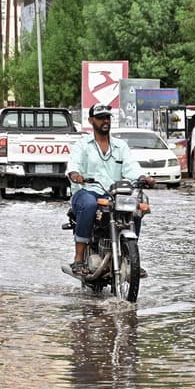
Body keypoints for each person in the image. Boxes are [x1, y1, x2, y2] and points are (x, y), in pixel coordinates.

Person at [65, 103, 154, 277]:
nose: (105, 121)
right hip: (87, 191)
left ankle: (130, 257)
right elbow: (73, 165)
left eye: (107, 118)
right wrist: (75, 174)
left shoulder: (121, 146)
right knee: (90, 204)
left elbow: (131, 168)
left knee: (136, 207)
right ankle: (78, 258)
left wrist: (143, 177)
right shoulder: (82, 145)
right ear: (91, 121)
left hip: (114, 194)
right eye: (100, 118)